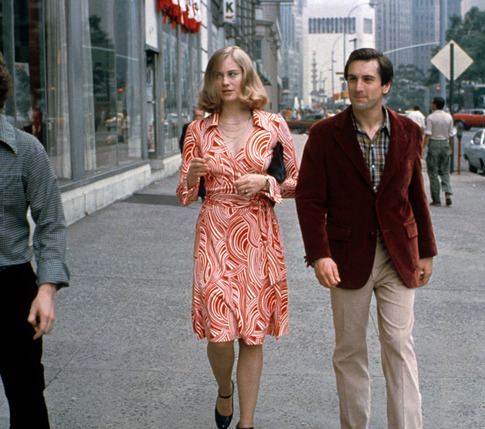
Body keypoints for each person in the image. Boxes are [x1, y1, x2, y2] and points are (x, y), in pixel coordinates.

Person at [295, 48, 438, 429]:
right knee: (350, 350)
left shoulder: (408, 131)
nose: (359, 87)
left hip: (399, 254)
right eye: (352, 79)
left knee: (399, 345)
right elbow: (310, 200)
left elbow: (416, 194)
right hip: (345, 258)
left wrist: (426, 250)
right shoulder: (324, 135)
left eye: (368, 79)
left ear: (385, 85)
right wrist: (319, 254)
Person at [176, 46, 298, 429]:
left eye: (233, 74)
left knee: (252, 334)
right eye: (218, 75)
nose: (226, 82)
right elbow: (183, 195)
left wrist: (266, 182)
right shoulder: (197, 130)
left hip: (258, 234)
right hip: (214, 232)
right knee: (219, 333)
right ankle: (224, 389)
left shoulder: (273, 125)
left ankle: (247, 422)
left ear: (246, 77)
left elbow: (298, 181)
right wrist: (191, 176)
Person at [0, 51, 70, 428]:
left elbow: (51, 223)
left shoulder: (26, 150)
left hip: (12, 288)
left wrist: (46, 290)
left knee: (26, 397)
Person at [424, 96, 455, 206]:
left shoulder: (431, 117)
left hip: (434, 144)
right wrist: (450, 147)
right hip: (445, 143)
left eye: (432, 103)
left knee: (433, 172)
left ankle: (436, 199)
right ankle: (448, 192)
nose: (431, 105)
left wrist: (423, 147)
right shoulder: (449, 117)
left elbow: (428, 134)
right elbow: (451, 135)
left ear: (435, 105)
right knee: (445, 170)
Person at [179, 107, 206, 199]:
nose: (197, 118)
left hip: (203, 156)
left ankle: (202, 194)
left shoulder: (207, 127)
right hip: (191, 156)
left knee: (202, 176)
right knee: (191, 175)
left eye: (200, 116)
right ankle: (192, 193)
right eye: (196, 116)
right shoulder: (188, 127)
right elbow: (182, 141)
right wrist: (184, 154)